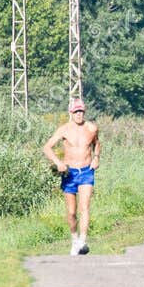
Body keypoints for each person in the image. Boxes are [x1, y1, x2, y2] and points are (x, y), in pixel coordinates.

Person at [43, 99, 100, 255]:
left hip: (87, 171)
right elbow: (47, 147)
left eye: (81, 111)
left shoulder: (92, 128)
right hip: (70, 173)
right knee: (71, 212)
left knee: (84, 207)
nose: (79, 114)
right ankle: (75, 240)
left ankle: (83, 241)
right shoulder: (64, 130)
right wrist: (58, 162)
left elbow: (96, 143)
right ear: (71, 113)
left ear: (84, 112)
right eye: (76, 112)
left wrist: (96, 157)